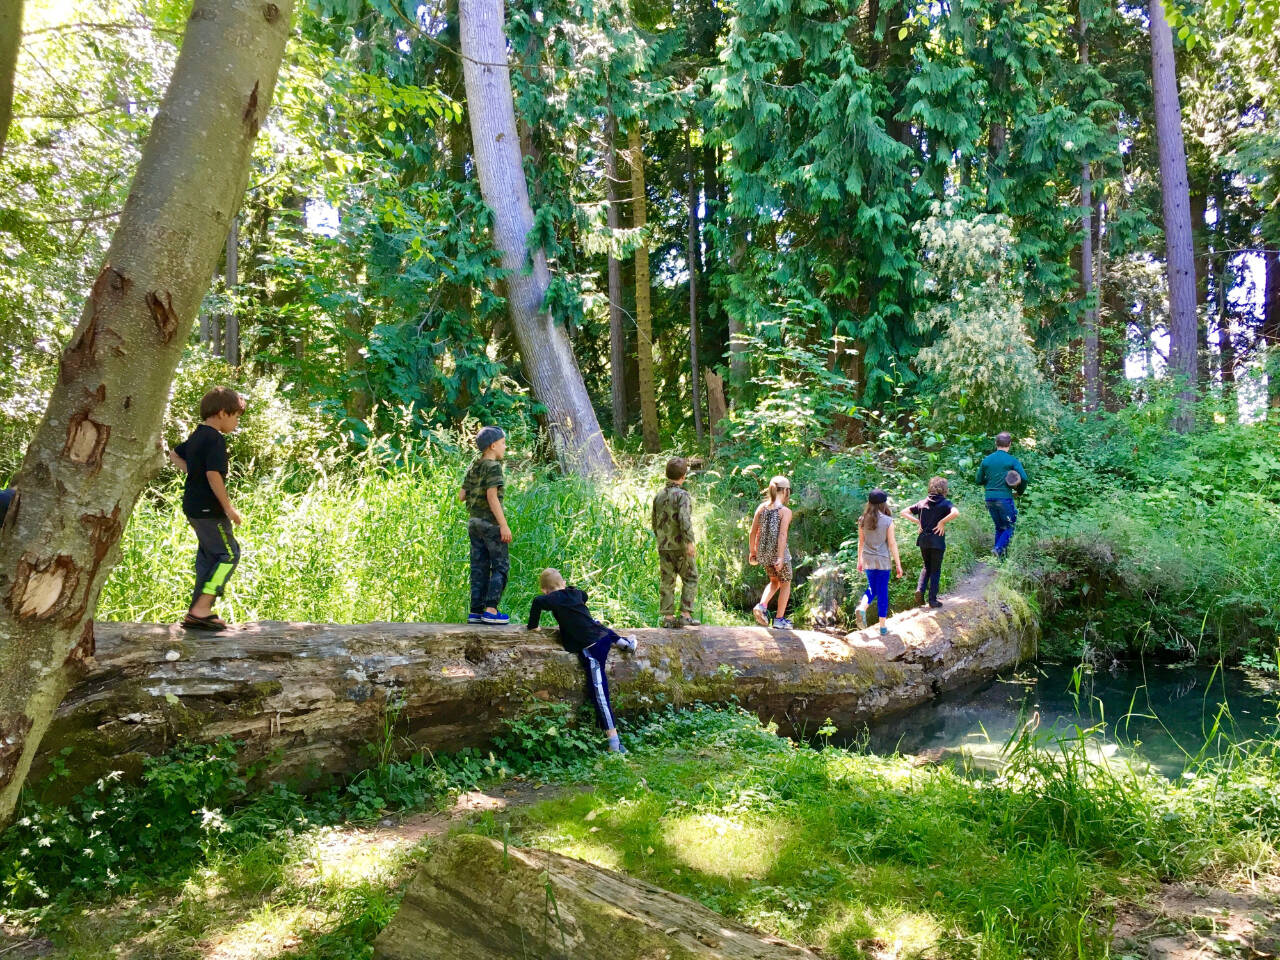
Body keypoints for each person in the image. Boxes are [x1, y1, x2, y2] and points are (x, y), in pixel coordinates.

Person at [527, 568, 637, 753]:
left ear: (545, 590)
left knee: (599, 692)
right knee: (595, 623)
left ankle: (614, 742)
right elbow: (584, 596)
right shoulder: (576, 593)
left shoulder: (550, 598)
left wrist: (533, 626)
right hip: (601, 637)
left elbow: (537, 602)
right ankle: (626, 644)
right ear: (563, 583)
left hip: (591, 648)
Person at [168, 387, 246, 631]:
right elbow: (214, 475)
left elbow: (173, 454)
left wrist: (194, 474)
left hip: (193, 506)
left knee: (209, 557)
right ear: (223, 413)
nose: (236, 422)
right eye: (236, 416)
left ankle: (196, 612)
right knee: (229, 555)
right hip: (209, 510)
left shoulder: (198, 435)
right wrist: (229, 509)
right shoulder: (214, 439)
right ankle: (202, 608)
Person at [459, 425, 512, 624]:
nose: (505, 447)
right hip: (490, 524)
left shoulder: (475, 465)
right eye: (503, 443)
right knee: (500, 566)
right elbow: (492, 497)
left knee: (479, 566)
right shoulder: (493, 467)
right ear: (492, 445)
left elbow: (461, 495)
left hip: (473, 522)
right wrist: (503, 525)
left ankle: (475, 611)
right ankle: (491, 610)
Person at [651, 457, 699, 628]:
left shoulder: (659, 496)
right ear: (683, 476)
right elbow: (685, 520)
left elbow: (654, 522)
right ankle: (685, 615)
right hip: (680, 546)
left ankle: (668, 618)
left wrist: (661, 539)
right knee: (691, 576)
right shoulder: (682, 495)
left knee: (667, 581)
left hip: (664, 546)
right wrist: (689, 542)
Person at [901, 477, 959, 609]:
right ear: (944, 489)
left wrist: (918, 522)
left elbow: (903, 512)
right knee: (935, 570)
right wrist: (942, 522)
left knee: (926, 566)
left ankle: (920, 590)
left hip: (923, 540)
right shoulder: (945, 503)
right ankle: (932, 600)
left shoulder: (922, 503)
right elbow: (956, 512)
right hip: (937, 540)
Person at [854, 489, 904, 635]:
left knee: (872, 588)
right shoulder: (888, 521)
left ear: (869, 503)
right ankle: (882, 627)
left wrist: (859, 560)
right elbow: (892, 544)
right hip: (883, 561)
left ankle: (862, 607)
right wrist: (898, 565)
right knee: (882, 591)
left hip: (868, 560)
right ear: (884, 504)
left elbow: (861, 542)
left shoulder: (862, 519)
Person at [749, 475, 795, 630]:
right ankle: (779, 619)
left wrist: (752, 551)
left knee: (774, 581)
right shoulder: (785, 511)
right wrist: (781, 557)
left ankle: (762, 606)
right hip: (778, 555)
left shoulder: (761, 508)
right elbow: (782, 535)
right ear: (786, 492)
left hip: (764, 553)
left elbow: (753, 532)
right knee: (786, 583)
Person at [975, 431, 1028, 559]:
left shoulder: (987, 460)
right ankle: (998, 549)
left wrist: (989, 482)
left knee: (1000, 527)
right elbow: (1024, 478)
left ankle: (999, 561)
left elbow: (978, 480)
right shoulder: (1012, 460)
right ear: (1009, 444)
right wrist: (1019, 492)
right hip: (1004, 498)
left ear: (996, 443)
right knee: (1010, 526)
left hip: (989, 498)